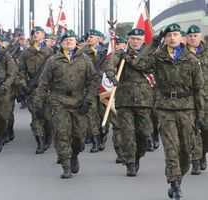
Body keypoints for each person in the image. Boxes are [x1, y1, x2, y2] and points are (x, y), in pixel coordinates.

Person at [129, 23, 204, 200]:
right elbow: (139, 64)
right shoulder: (157, 57)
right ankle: (175, 184)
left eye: (176, 34)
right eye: (169, 35)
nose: (172, 38)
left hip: (187, 108)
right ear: (165, 38)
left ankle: (178, 177)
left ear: (182, 37)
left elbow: (198, 88)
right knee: (171, 148)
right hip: (165, 108)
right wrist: (153, 43)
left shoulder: (191, 59)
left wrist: (200, 115)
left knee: (186, 150)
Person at [34, 30, 98, 178]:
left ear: (76, 42)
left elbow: (94, 80)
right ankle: (66, 166)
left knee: (79, 136)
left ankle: (74, 155)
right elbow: (43, 83)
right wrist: (38, 104)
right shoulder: (53, 60)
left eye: (71, 39)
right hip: (59, 101)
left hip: (79, 102)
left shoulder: (85, 59)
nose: (69, 42)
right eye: (66, 40)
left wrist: (88, 101)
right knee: (62, 133)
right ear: (61, 43)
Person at [104, 28, 154, 177]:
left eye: (138, 39)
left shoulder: (149, 55)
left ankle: (137, 156)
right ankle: (130, 163)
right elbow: (109, 64)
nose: (135, 41)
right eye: (132, 38)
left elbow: (148, 68)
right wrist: (112, 75)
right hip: (124, 100)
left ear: (143, 40)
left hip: (144, 100)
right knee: (127, 133)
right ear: (128, 40)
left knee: (144, 133)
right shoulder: (120, 54)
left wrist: (130, 59)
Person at [18, 26, 53, 154]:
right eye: (33, 33)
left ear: (43, 34)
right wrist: (23, 84)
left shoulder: (50, 52)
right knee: (36, 116)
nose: (35, 35)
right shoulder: (27, 52)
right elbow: (21, 70)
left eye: (37, 33)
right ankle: (39, 142)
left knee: (48, 117)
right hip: (33, 89)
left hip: (48, 89)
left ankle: (48, 135)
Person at [186, 24, 208, 174]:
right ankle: (195, 159)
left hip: (206, 97)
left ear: (200, 36)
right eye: (190, 36)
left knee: (206, 130)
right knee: (194, 129)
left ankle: (203, 154)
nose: (193, 38)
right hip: (189, 98)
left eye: (195, 35)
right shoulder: (181, 54)